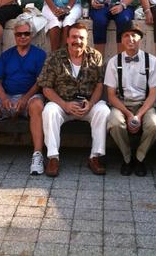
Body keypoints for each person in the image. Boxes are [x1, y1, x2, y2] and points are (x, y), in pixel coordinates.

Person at [0, 20, 47, 175]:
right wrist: (4, 98)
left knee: (38, 105)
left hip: (30, 97)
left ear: (31, 35)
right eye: (19, 34)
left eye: (26, 33)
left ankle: (37, 155)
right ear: (14, 35)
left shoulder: (40, 55)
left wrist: (25, 99)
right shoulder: (7, 55)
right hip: (7, 95)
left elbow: (41, 82)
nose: (23, 37)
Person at [38, 22, 110, 176]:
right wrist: (64, 104)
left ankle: (95, 157)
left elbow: (99, 85)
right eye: (74, 37)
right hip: (63, 105)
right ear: (67, 39)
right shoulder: (54, 57)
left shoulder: (95, 56)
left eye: (81, 38)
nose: (78, 41)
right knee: (49, 111)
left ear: (87, 39)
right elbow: (46, 88)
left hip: (87, 106)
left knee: (103, 110)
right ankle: (53, 158)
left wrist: (90, 104)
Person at [104, 23, 156, 176]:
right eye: (126, 36)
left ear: (140, 39)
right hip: (121, 104)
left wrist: (139, 115)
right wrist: (129, 115)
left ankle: (139, 158)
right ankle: (127, 158)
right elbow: (111, 95)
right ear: (121, 40)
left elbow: (153, 94)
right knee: (115, 123)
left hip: (145, 104)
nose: (130, 39)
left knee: (155, 125)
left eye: (134, 35)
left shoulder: (152, 61)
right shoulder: (113, 62)